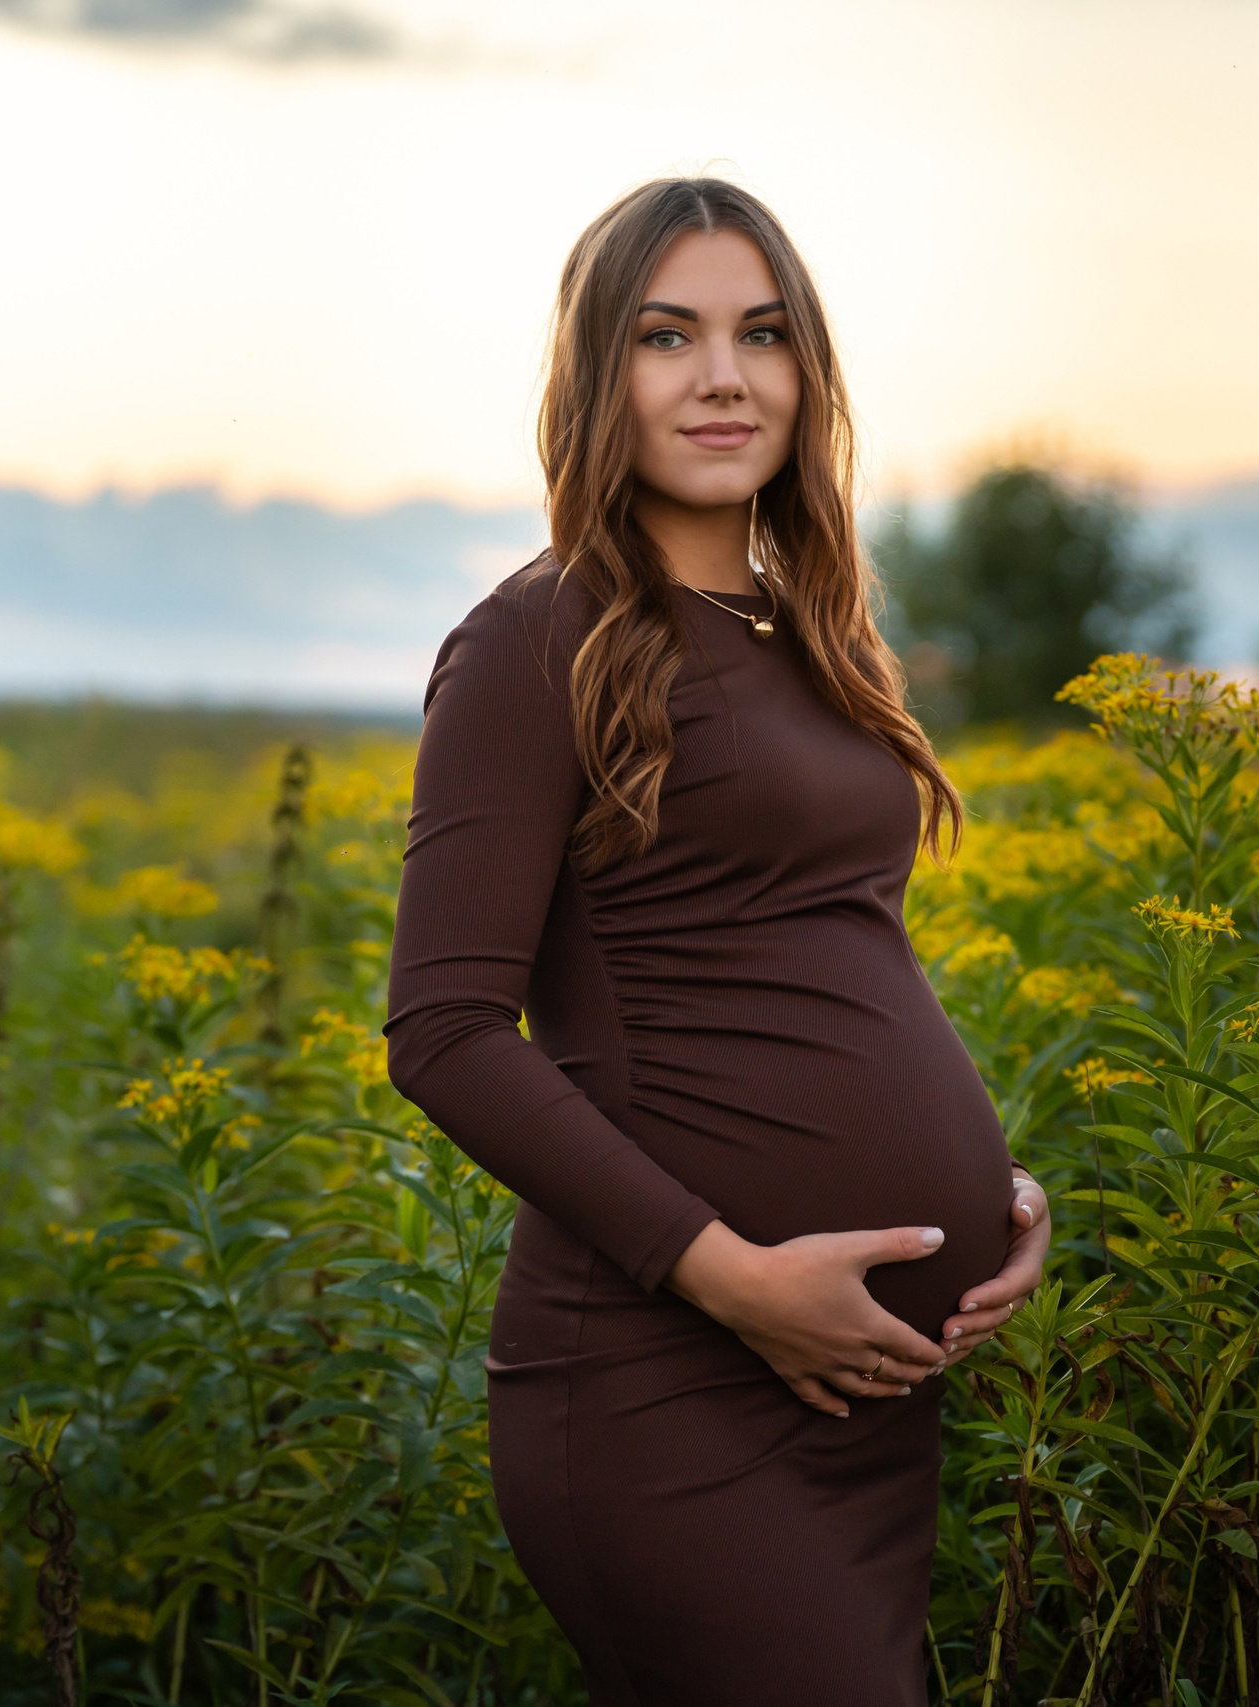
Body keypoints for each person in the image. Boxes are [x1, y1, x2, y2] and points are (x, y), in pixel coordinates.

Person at [385, 177, 1051, 1707]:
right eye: (665, 335)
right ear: (597, 375)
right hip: (664, 1383)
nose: (722, 375)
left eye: (761, 333)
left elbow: (834, 952)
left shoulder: (814, 635)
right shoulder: (537, 637)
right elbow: (446, 1033)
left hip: (865, 1396)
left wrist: (987, 1192)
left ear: (808, 371)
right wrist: (731, 1277)